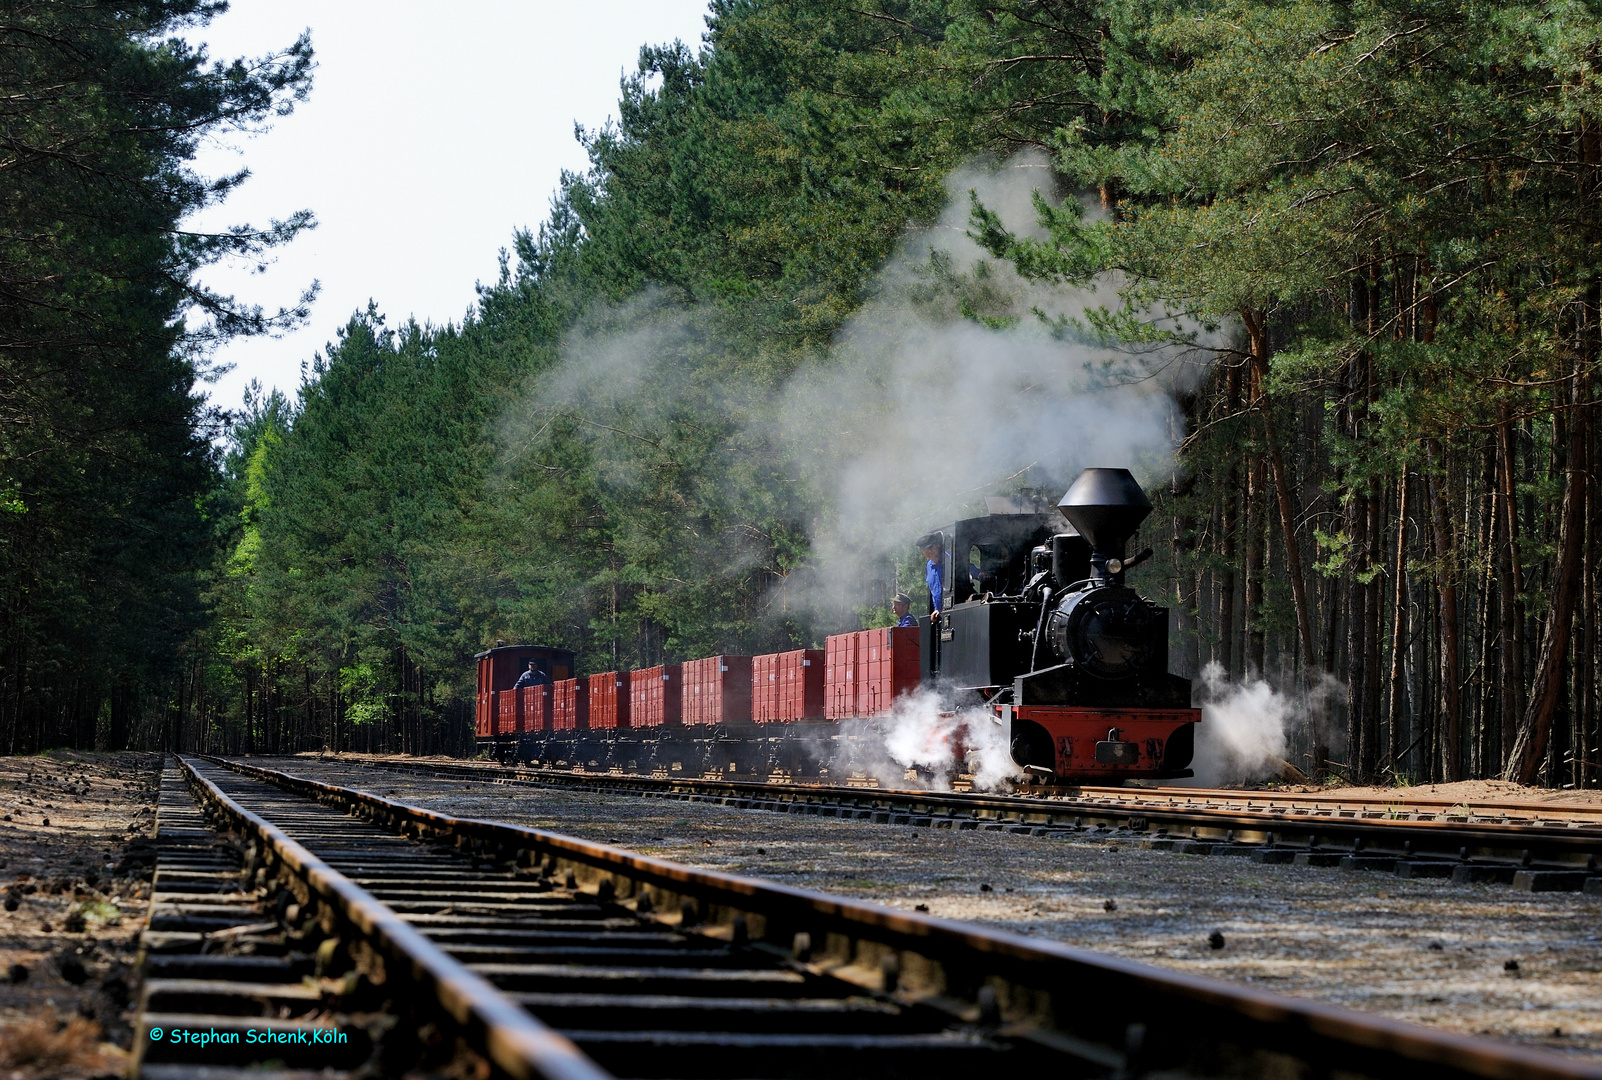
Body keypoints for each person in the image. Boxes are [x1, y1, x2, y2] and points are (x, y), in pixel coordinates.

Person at [918, 533, 944, 621]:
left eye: (932, 548)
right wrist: (937, 608)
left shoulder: (948, 558)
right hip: (938, 613)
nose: (931, 551)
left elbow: (964, 566)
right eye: (927, 550)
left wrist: (977, 573)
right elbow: (934, 590)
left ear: (937, 546)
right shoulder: (929, 566)